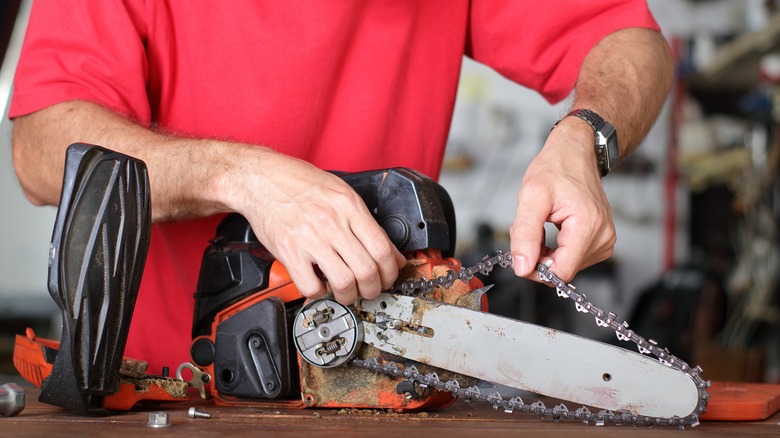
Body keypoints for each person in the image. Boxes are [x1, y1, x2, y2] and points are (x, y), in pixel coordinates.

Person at [10, 1, 673, 374]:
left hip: (389, 375)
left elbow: (627, 38)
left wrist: (586, 137)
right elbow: (41, 151)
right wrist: (243, 177)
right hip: (174, 390)